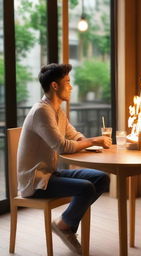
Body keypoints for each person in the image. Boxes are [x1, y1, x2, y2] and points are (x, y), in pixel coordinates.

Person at [17, 63, 112, 255]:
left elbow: (74, 135)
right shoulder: (41, 111)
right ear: (54, 85)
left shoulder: (56, 110)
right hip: (35, 182)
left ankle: (65, 222)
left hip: (50, 174)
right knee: (86, 188)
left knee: (101, 178)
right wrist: (95, 140)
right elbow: (62, 147)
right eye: (67, 82)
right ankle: (64, 225)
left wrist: (91, 143)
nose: (71, 86)